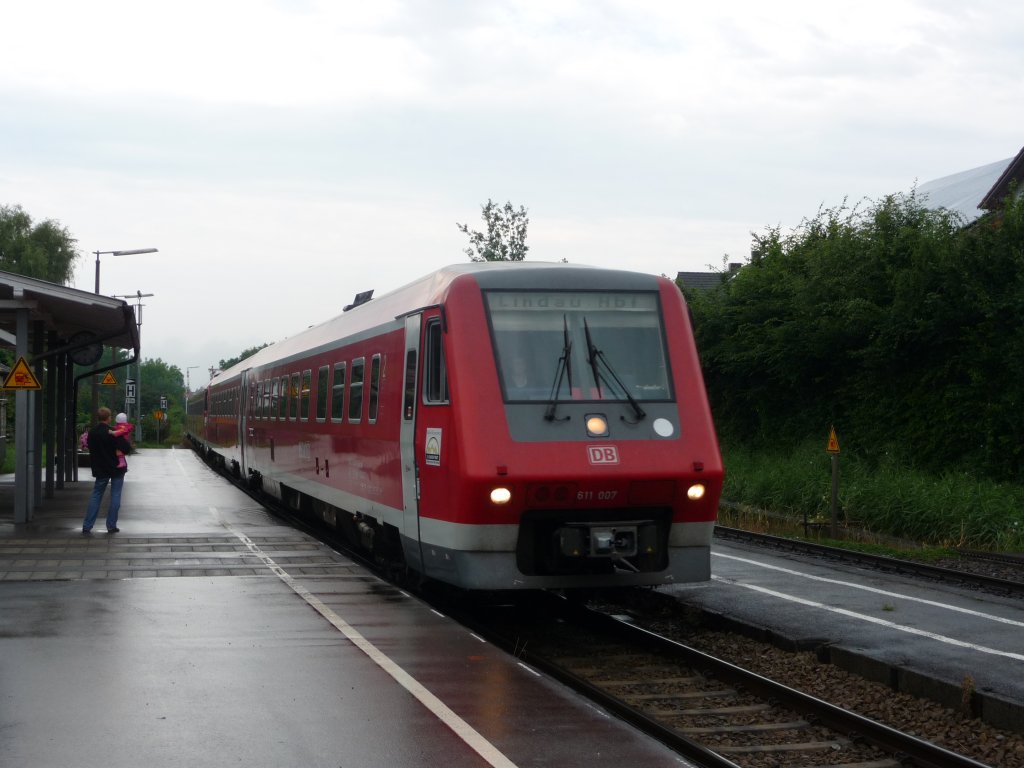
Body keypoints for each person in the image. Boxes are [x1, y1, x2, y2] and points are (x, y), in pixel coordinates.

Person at [82, 407, 132, 534]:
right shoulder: (113, 432)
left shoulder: (92, 433)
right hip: (117, 469)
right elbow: (126, 448)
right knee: (115, 496)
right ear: (109, 418)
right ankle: (111, 526)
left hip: (100, 468)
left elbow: (89, 447)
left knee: (96, 495)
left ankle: (87, 526)